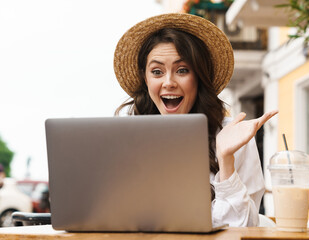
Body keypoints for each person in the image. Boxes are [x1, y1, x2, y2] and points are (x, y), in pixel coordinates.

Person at [113, 13, 277, 227]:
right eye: (157, 71)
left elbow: (242, 229)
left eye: (182, 70)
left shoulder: (232, 136)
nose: (169, 82)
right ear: (145, 79)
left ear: (198, 77)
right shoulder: (128, 138)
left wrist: (225, 159)